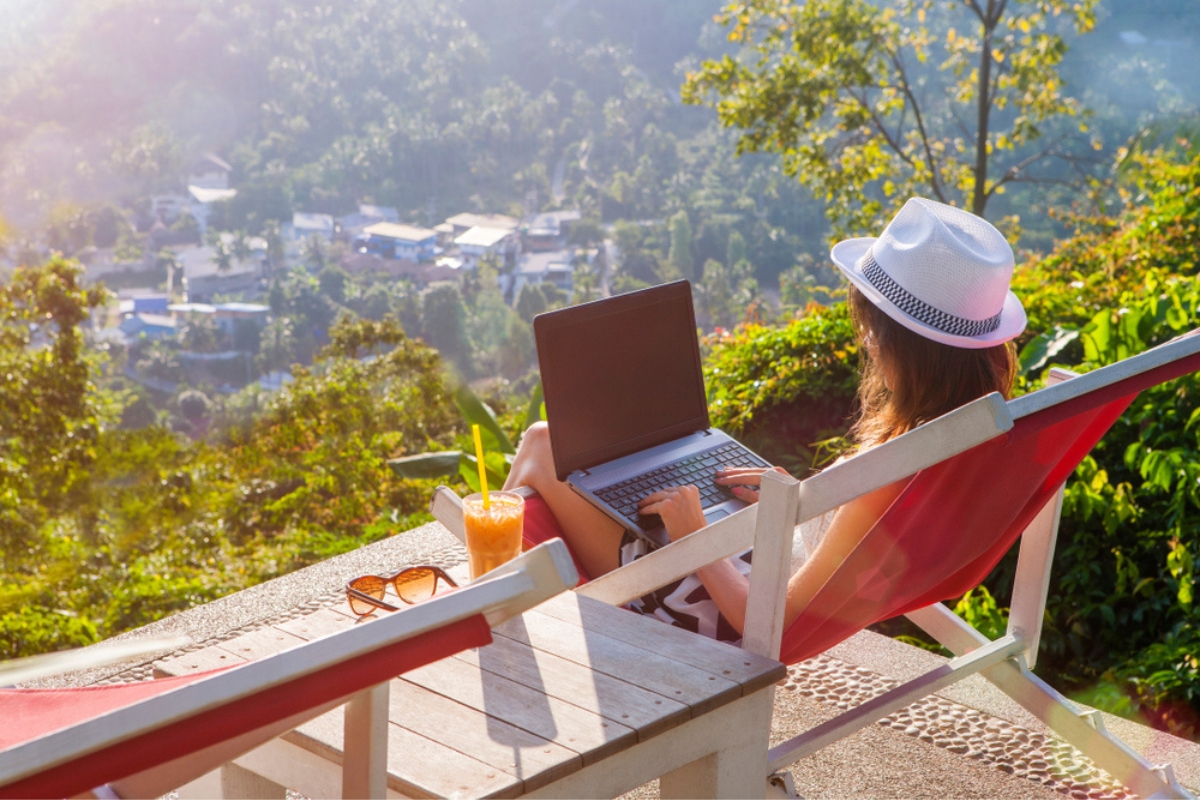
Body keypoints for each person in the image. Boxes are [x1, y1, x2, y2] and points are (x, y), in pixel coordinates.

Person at [504, 197, 1027, 640]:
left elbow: (770, 627)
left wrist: (695, 539)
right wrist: (799, 502)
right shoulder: (972, 440)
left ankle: (488, 596)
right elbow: (858, 550)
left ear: (910, 352)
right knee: (600, 466)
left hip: (709, 611)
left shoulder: (891, 473)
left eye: (874, 332)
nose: (868, 343)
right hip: (755, 562)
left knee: (542, 445)